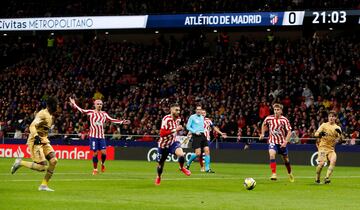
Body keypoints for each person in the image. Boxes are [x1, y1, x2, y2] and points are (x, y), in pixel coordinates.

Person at [69, 97, 130, 175]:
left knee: (104, 153)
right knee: (95, 153)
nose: (99, 105)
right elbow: (81, 110)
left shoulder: (104, 114)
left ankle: (103, 164)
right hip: (93, 136)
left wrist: (122, 122)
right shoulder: (91, 112)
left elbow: (112, 119)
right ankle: (95, 169)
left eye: (100, 104)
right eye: (98, 104)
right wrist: (74, 103)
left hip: (101, 137)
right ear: (94, 105)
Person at [11, 97, 59, 191]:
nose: (57, 108)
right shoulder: (42, 114)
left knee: (53, 161)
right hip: (35, 140)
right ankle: (20, 162)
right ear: (51, 106)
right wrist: (36, 136)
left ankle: (43, 185)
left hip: (44, 140)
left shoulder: (50, 116)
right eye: (56, 106)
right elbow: (32, 126)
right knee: (42, 167)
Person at [155, 103, 191, 185]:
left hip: (173, 143)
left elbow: (176, 130)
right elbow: (162, 134)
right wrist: (175, 129)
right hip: (163, 145)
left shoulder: (178, 119)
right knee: (160, 165)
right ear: (171, 110)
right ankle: (158, 177)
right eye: (176, 110)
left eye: (179, 110)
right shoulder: (166, 119)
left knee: (181, 155)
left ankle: (182, 168)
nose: (178, 111)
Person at [260, 103, 294, 182]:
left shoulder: (284, 120)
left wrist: (285, 142)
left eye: (278, 110)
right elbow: (264, 124)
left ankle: (290, 173)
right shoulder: (269, 118)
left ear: (281, 111)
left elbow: (289, 132)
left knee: (286, 160)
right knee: (272, 155)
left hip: (282, 143)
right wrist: (262, 133)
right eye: (275, 109)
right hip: (272, 141)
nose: (276, 111)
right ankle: (274, 173)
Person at [314, 111, 343, 184]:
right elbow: (315, 134)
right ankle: (317, 177)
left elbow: (341, 140)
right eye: (330, 116)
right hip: (322, 148)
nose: (331, 118)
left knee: (333, 160)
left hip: (331, 149)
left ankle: (327, 178)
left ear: (335, 118)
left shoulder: (337, 127)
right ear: (328, 117)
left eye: (333, 116)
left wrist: (340, 134)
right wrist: (320, 134)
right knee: (321, 164)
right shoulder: (324, 125)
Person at [186, 105, 214, 173]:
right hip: (196, 136)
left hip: (202, 135)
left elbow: (204, 126)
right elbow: (188, 126)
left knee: (207, 151)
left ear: (201, 111)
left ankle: (207, 169)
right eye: (197, 109)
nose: (199, 111)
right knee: (198, 153)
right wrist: (194, 131)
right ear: (195, 110)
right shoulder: (192, 117)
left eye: (200, 109)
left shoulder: (202, 117)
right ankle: (188, 163)